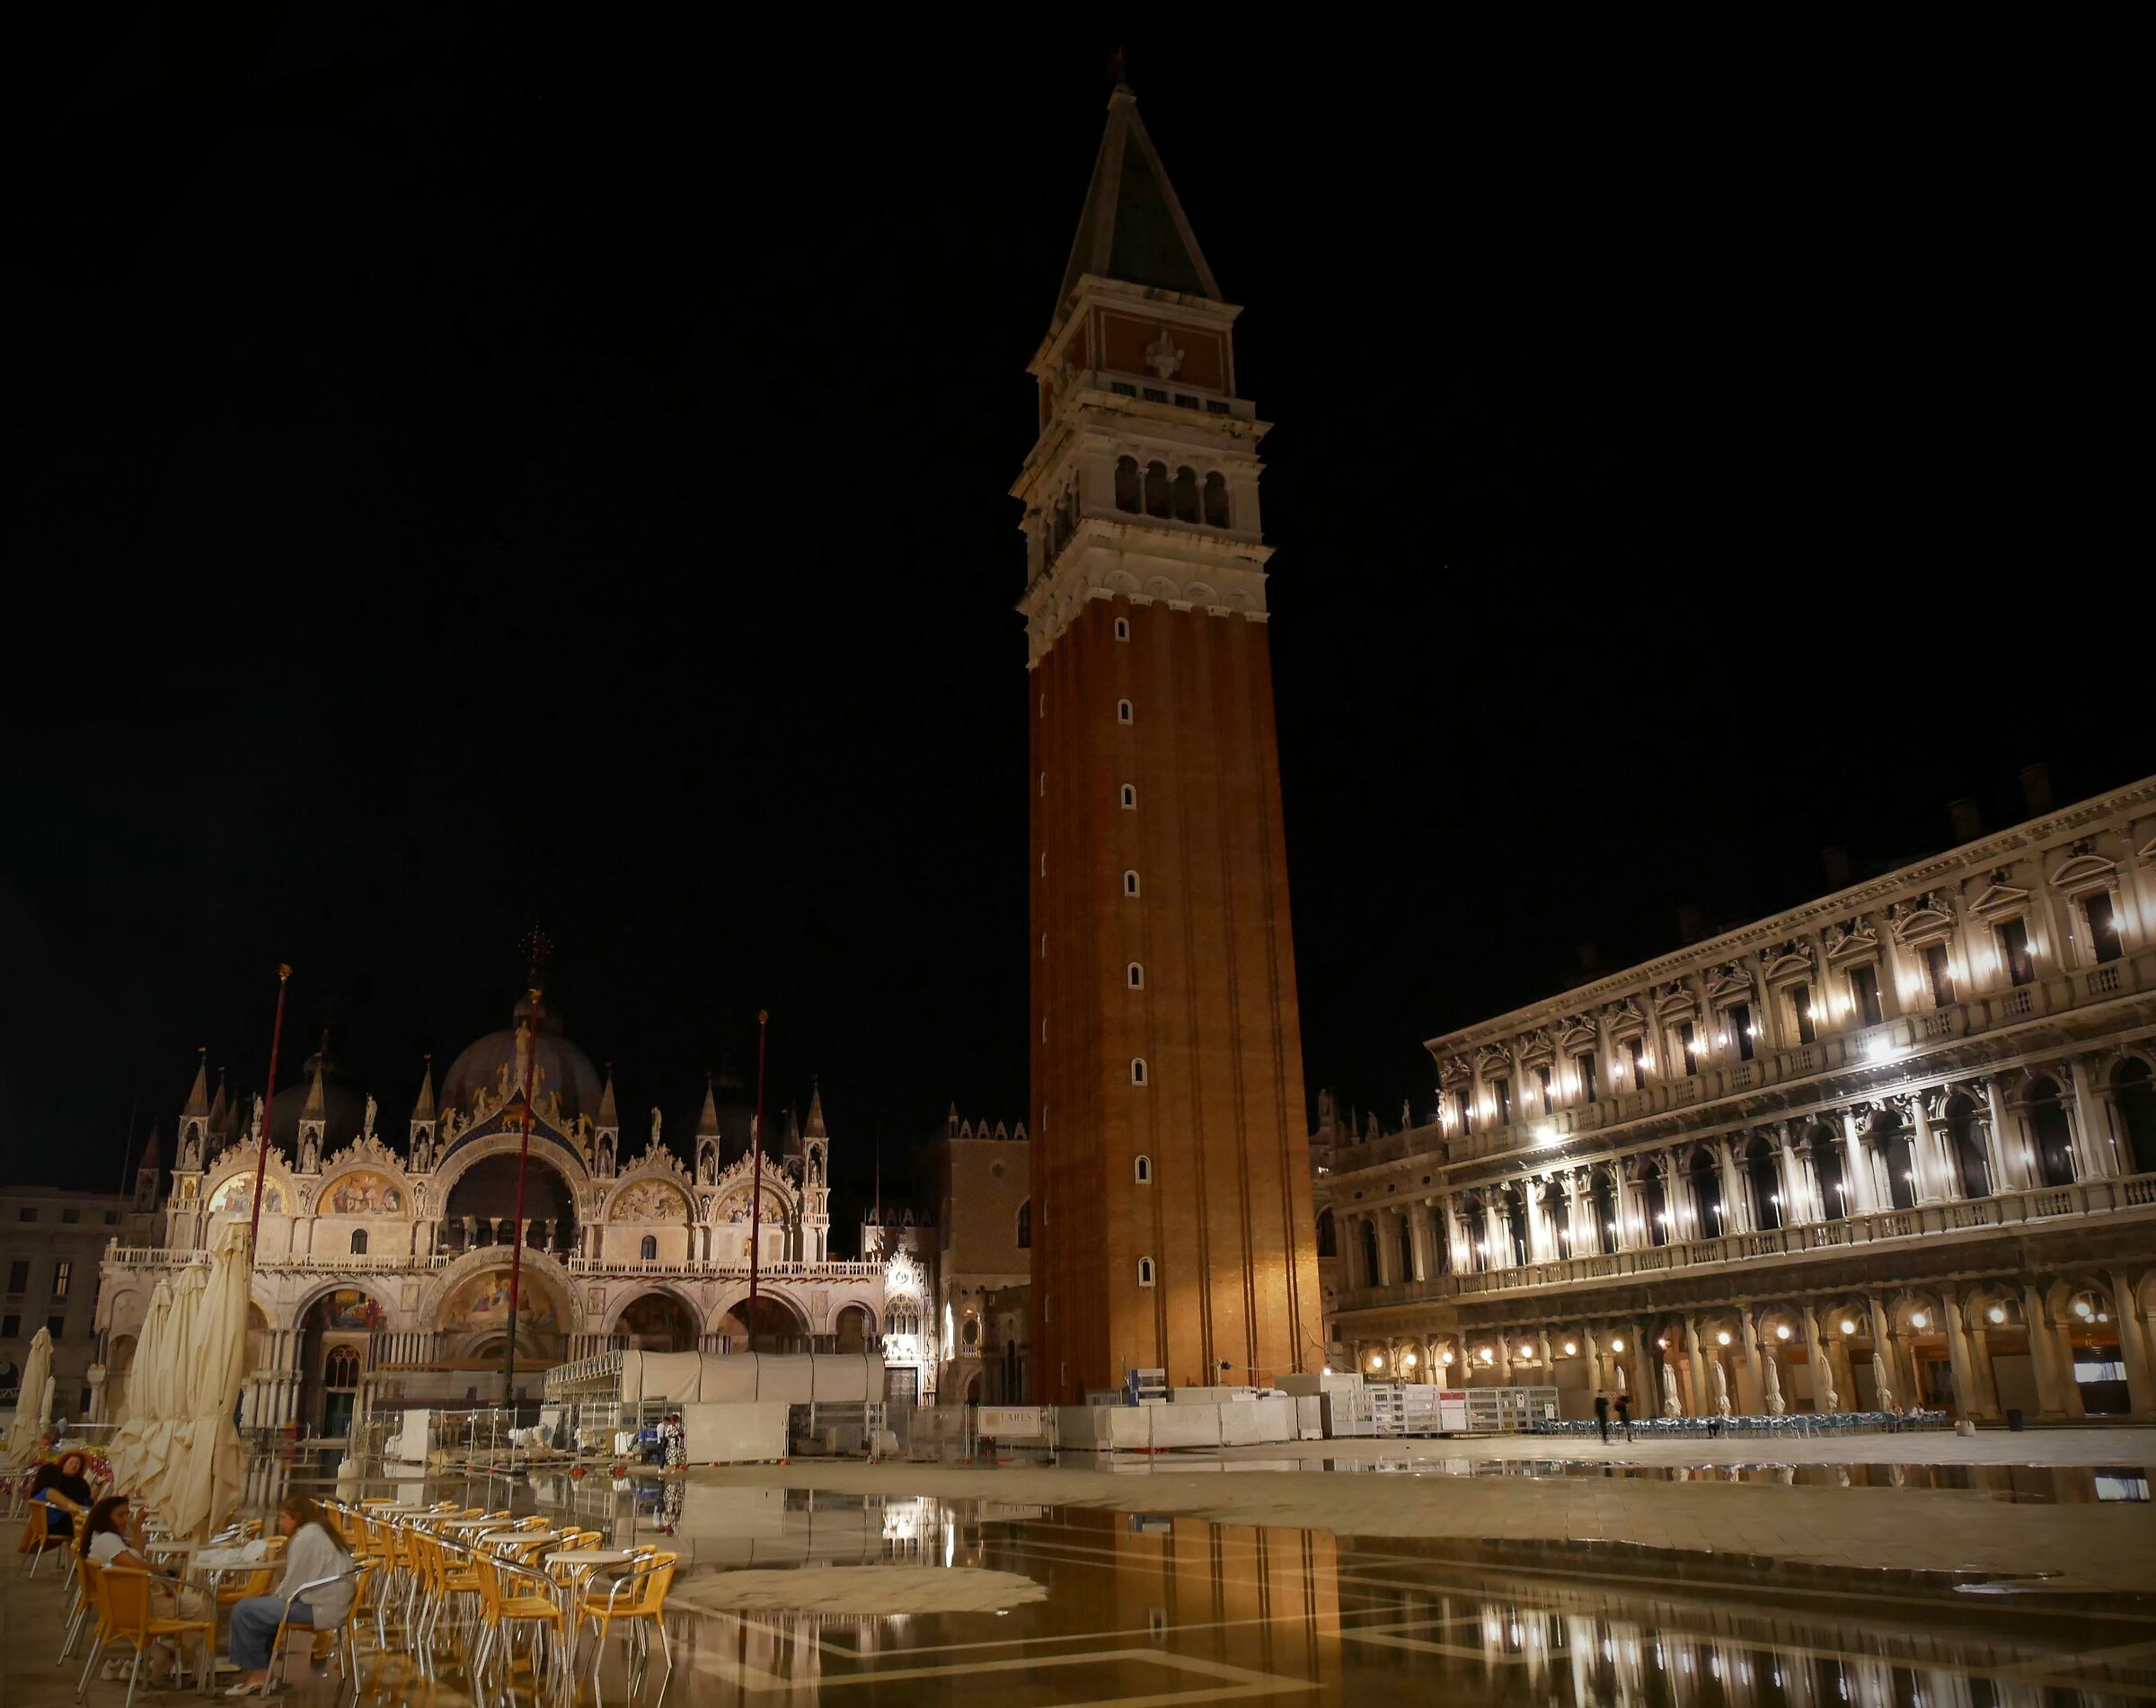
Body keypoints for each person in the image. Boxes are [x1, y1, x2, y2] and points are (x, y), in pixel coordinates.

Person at [222, 1494, 356, 1696]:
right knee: (260, 1608)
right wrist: (273, 1593)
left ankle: (259, 1674)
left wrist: (275, 1595)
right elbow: (300, 1578)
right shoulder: (318, 1532)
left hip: (318, 1607)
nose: (280, 1523)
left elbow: (294, 1584)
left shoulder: (305, 1539)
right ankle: (263, 1671)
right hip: (329, 1602)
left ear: (297, 1517)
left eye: (283, 1518)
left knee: (244, 1610)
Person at [78, 1494, 214, 1684]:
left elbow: (137, 1555)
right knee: (203, 1607)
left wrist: (137, 1527)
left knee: (192, 1605)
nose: (125, 1519)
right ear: (105, 1517)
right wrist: (164, 1574)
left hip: (125, 1604)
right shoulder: (107, 1540)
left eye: (127, 1514)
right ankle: (185, 1660)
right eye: (120, 1515)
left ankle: (168, 1656)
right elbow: (135, 1565)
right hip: (141, 1606)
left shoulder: (104, 1539)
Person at [30, 1448, 94, 1540]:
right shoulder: (52, 1489)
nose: (74, 1466)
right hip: (58, 1524)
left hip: (65, 1520)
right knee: (91, 1528)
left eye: (77, 1463)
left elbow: (87, 1501)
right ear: (63, 1464)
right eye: (71, 1463)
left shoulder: (81, 1483)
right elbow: (73, 1507)